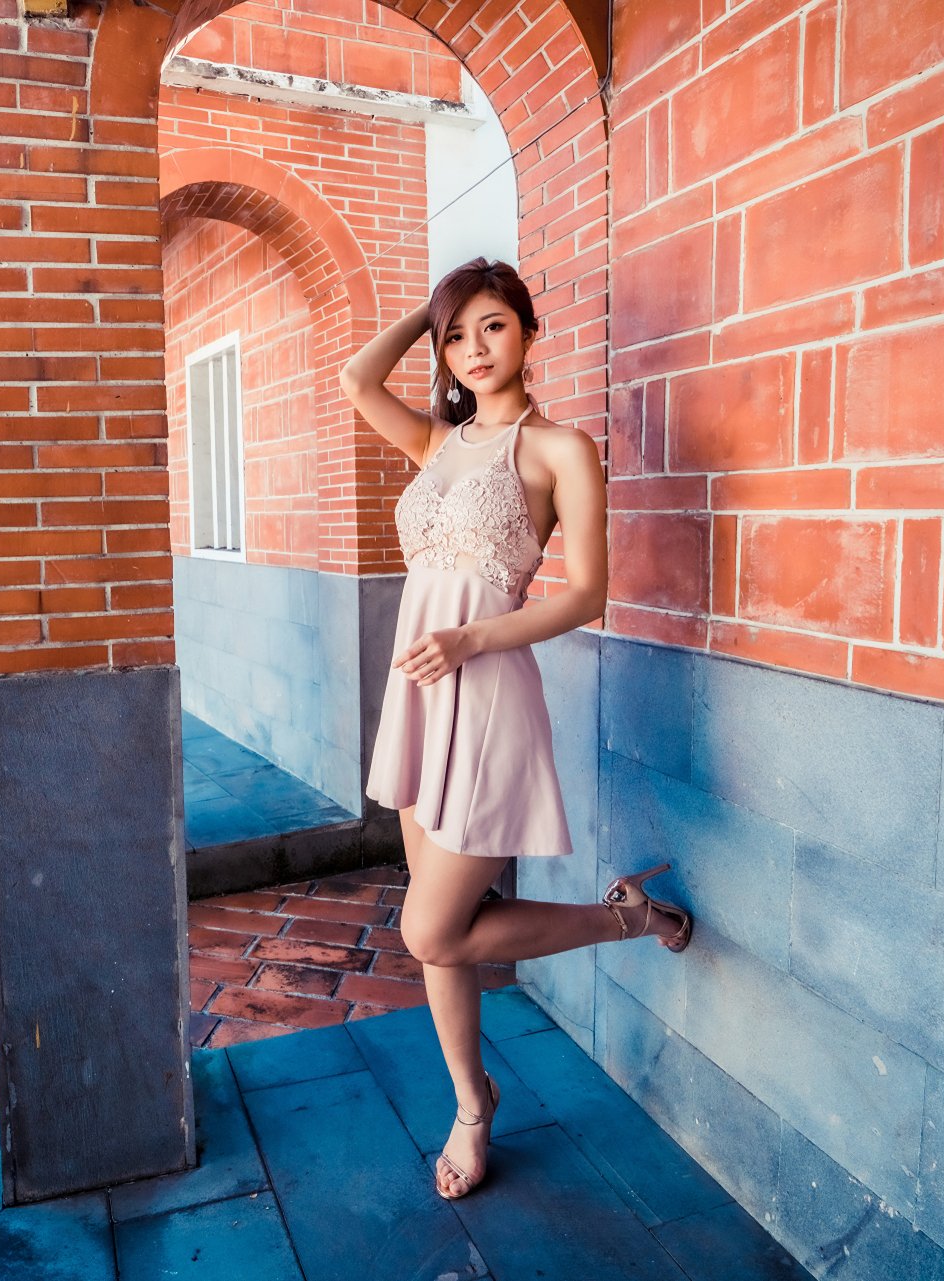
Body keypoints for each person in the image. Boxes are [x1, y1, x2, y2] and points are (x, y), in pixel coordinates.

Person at [338, 256, 694, 1202]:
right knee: (440, 930)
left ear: (529, 332)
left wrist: (471, 637)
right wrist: (434, 308)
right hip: (421, 691)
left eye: (492, 325)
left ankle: (626, 917)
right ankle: (471, 1102)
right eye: (460, 335)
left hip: (486, 684)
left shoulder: (559, 450)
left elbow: (587, 591)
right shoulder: (437, 441)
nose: (474, 349)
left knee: (430, 926)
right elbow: (355, 379)